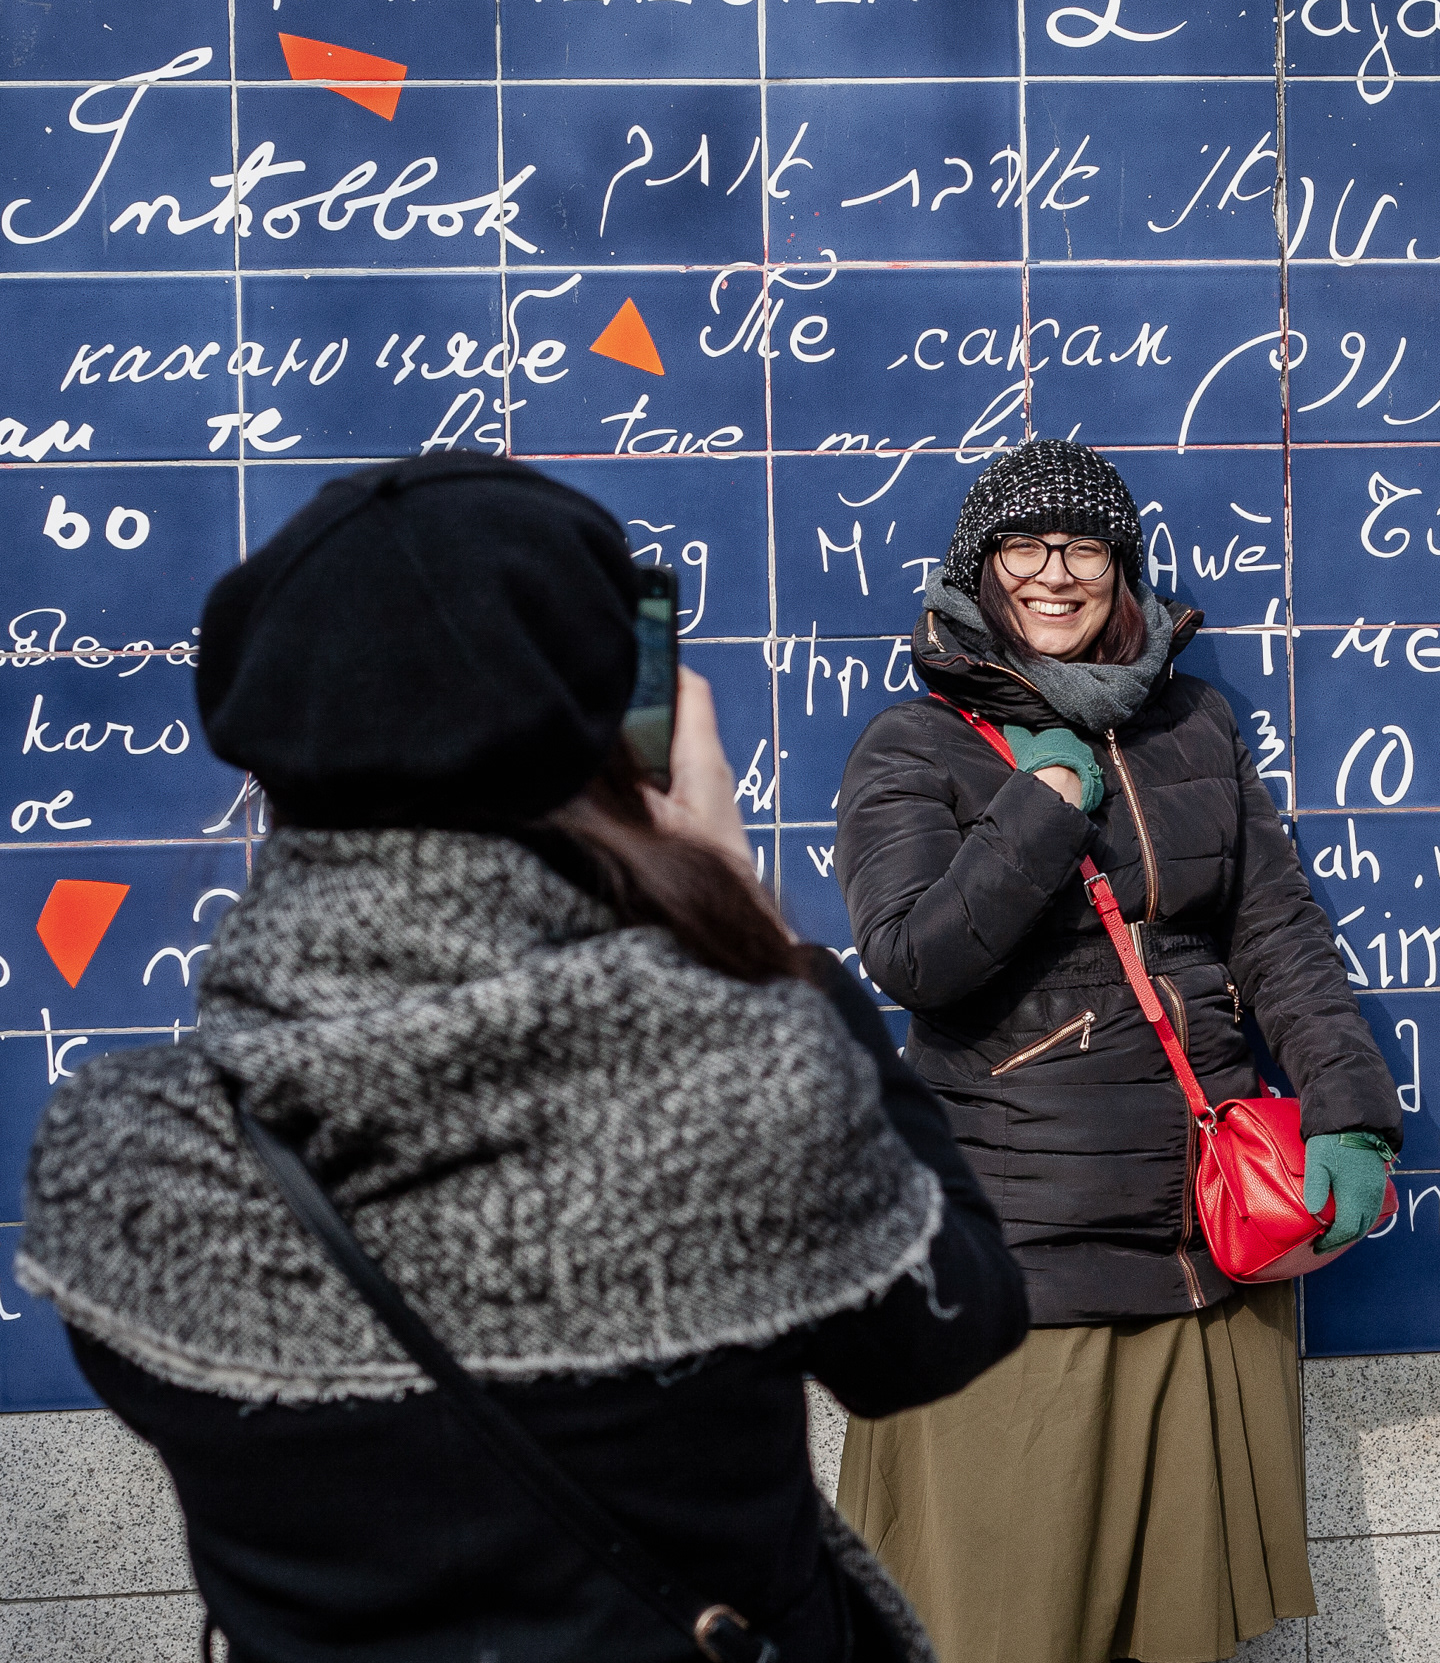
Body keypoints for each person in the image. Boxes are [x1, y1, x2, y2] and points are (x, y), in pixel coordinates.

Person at [19, 453, 1028, 1663]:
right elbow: (951, 1321)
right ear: (622, 743)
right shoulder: (742, 1083)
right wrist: (761, 943)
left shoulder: (125, 1152)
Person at [832, 439, 1403, 1663]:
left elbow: (1278, 932)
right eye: (1024, 545)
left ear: (1121, 569)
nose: (1056, 571)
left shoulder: (1195, 726)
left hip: (1205, 1244)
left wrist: (1351, 1109)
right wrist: (1039, 811)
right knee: (1003, 1626)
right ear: (978, 568)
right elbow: (913, 960)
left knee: (1179, 1631)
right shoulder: (911, 745)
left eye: (1084, 545)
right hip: (1030, 1258)